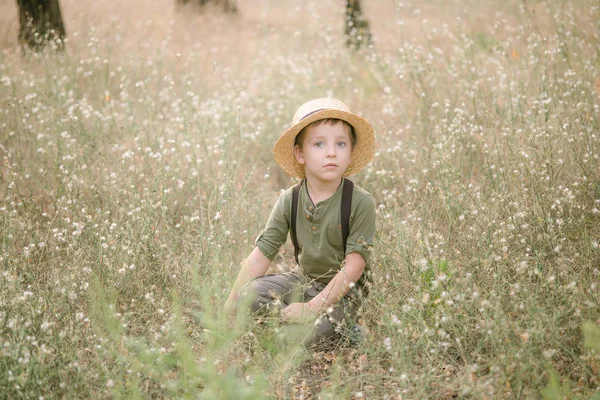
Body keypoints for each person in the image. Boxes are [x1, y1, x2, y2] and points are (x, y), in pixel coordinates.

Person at [225, 98, 376, 349]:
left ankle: (347, 331)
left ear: (350, 153)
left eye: (341, 144)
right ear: (300, 153)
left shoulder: (360, 202)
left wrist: (311, 308)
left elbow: (354, 267)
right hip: (302, 280)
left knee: (295, 341)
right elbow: (263, 253)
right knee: (248, 296)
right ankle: (300, 324)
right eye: (319, 144)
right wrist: (230, 304)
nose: (331, 152)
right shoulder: (290, 199)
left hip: (344, 293)